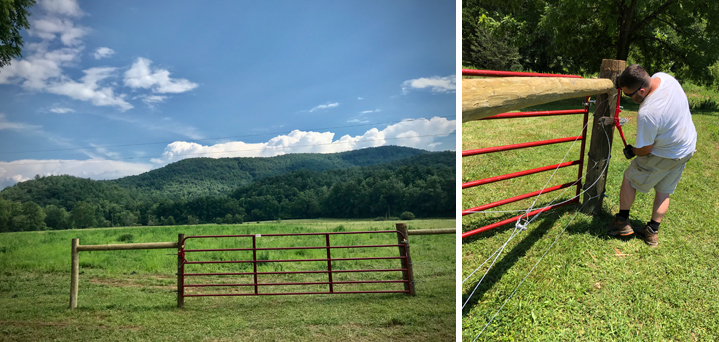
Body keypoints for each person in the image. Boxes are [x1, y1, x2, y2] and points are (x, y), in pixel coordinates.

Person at [605, 64, 697, 247]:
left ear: (641, 90)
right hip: (686, 148)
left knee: (629, 179)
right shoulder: (665, 78)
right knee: (664, 189)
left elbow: (645, 149)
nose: (629, 98)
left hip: (666, 153)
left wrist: (632, 151)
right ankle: (652, 232)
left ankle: (622, 222)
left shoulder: (648, 112)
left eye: (629, 95)